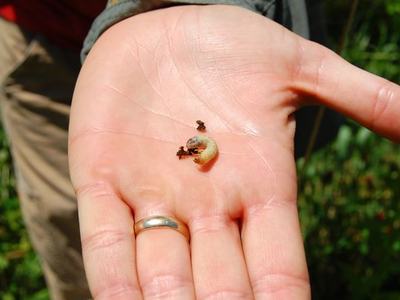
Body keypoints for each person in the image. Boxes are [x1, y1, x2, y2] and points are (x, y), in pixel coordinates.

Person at [1, 1, 399, 299]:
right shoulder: (199, 146)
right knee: (71, 216)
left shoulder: (204, 146)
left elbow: (207, 150)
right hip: (37, 34)